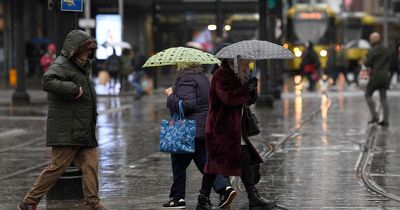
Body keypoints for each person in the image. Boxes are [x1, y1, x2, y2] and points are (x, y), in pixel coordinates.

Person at [16, 30, 107, 210]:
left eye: (90, 50)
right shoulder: (63, 64)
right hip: (68, 128)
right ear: (75, 49)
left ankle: (93, 203)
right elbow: (47, 81)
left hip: (83, 128)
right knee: (57, 167)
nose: (88, 53)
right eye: (86, 49)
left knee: (91, 164)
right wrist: (73, 89)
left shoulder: (80, 67)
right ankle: (29, 202)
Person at [196, 56, 276, 210]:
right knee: (214, 164)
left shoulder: (239, 74)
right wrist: (246, 89)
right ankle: (203, 199)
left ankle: (253, 197)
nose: (246, 63)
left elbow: (247, 101)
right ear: (232, 60)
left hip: (236, 128)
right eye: (243, 60)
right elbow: (228, 99)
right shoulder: (221, 75)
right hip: (220, 128)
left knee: (244, 159)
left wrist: (253, 89)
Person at [163, 62, 236, 209]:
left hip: (186, 129)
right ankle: (224, 188)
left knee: (178, 164)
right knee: (204, 162)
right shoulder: (203, 79)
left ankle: (178, 199)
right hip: (202, 128)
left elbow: (187, 105)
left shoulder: (186, 80)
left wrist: (171, 95)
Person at [364, 32, 390, 127]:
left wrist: (365, 59)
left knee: (368, 95)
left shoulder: (373, 50)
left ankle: (375, 116)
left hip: (376, 76)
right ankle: (386, 120)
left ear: (373, 40)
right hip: (385, 76)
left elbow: (367, 63)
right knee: (384, 98)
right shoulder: (386, 49)